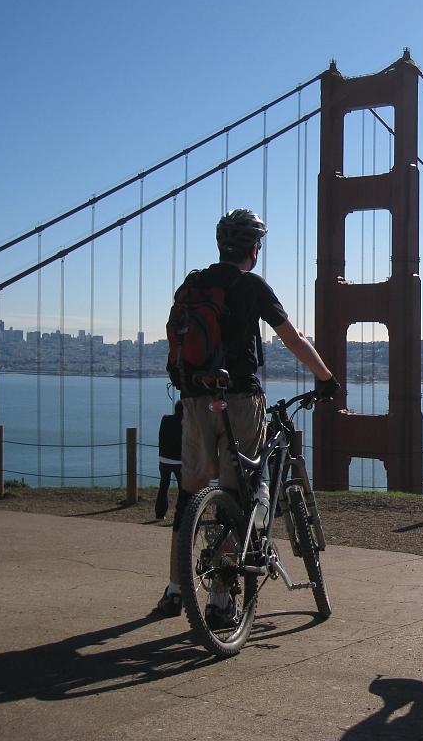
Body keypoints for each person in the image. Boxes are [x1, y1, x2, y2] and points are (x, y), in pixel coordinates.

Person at [152, 208, 339, 625]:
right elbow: (293, 337)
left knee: (190, 494)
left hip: (196, 400)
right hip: (239, 400)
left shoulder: (194, 284)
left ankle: (175, 588)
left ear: (221, 245)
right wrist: (326, 378)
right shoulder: (251, 285)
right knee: (238, 496)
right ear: (254, 249)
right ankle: (221, 601)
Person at [155, 401, 183, 520]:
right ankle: (181, 513)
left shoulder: (165, 419)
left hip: (164, 459)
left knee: (163, 486)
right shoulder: (186, 422)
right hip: (179, 461)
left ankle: (160, 514)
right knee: (183, 488)